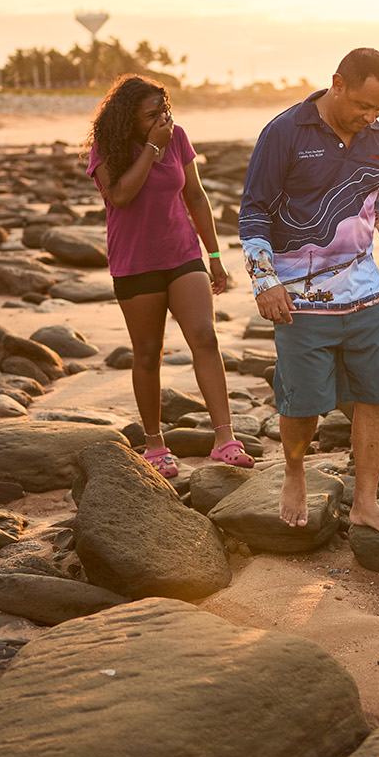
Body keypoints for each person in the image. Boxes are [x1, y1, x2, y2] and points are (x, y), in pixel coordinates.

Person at [240, 48, 379, 538]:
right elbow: (254, 212)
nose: (371, 117)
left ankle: (366, 504)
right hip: (300, 301)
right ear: (338, 84)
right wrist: (265, 282)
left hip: (365, 297)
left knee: (374, 399)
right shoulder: (284, 133)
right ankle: (293, 473)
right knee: (302, 406)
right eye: (364, 106)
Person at [87, 74, 253, 476]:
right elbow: (121, 196)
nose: (162, 119)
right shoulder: (107, 147)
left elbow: (195, 195)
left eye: (164, 111)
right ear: (129, 118)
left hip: (182, 254)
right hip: (135, 263)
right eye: (150, 115)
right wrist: (150, 150)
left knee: (205, 336)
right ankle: (155, 445)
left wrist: (213, 253)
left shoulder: (176, 137)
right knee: (147, 354)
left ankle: (224, 438)